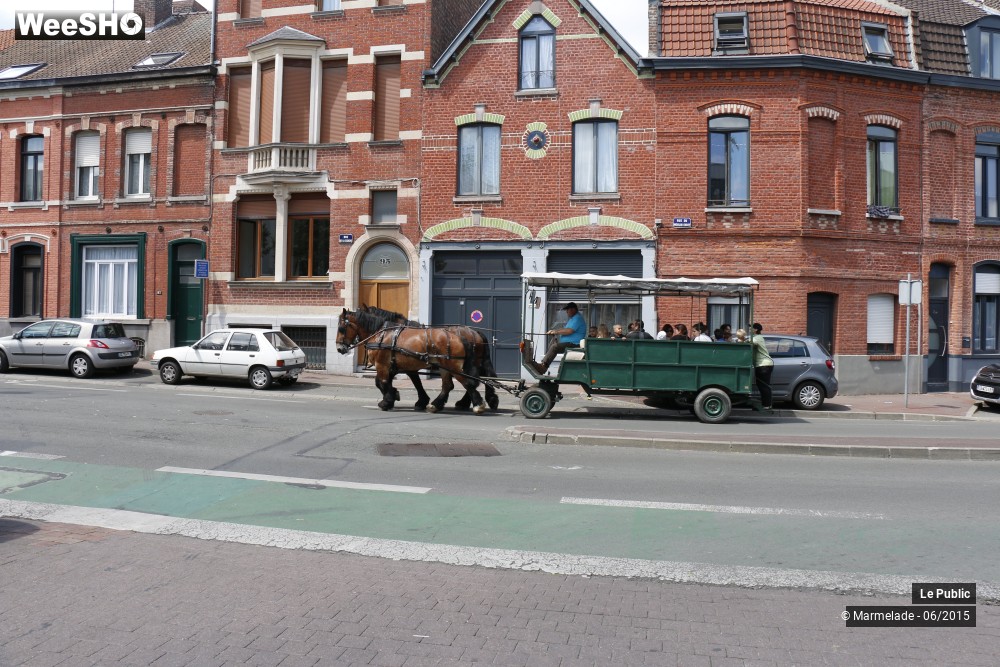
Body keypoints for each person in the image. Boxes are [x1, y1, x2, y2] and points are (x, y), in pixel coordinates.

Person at [531, 302, 586, 374]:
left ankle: (543, 367)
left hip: (574, 344)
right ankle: (543, 364)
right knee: (553, 345)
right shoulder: (573, 319)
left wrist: (556, 332)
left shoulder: (577, 318)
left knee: (555, 347)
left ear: (573, 309)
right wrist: (555, 332)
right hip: (570, 343)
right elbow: (565, 329)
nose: (566, 312)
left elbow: (569, 331)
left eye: (567, 310)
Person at [750, 322, 774, 409]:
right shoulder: (757, 337)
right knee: (762, 385)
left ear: (756, 329)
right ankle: (766, 404)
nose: (749, 329)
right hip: (762, 364)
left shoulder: (758, 338)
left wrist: (740, 339)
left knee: (763, 385)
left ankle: (767, 405)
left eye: (751, 327)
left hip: (763, 365)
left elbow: (749, 342)